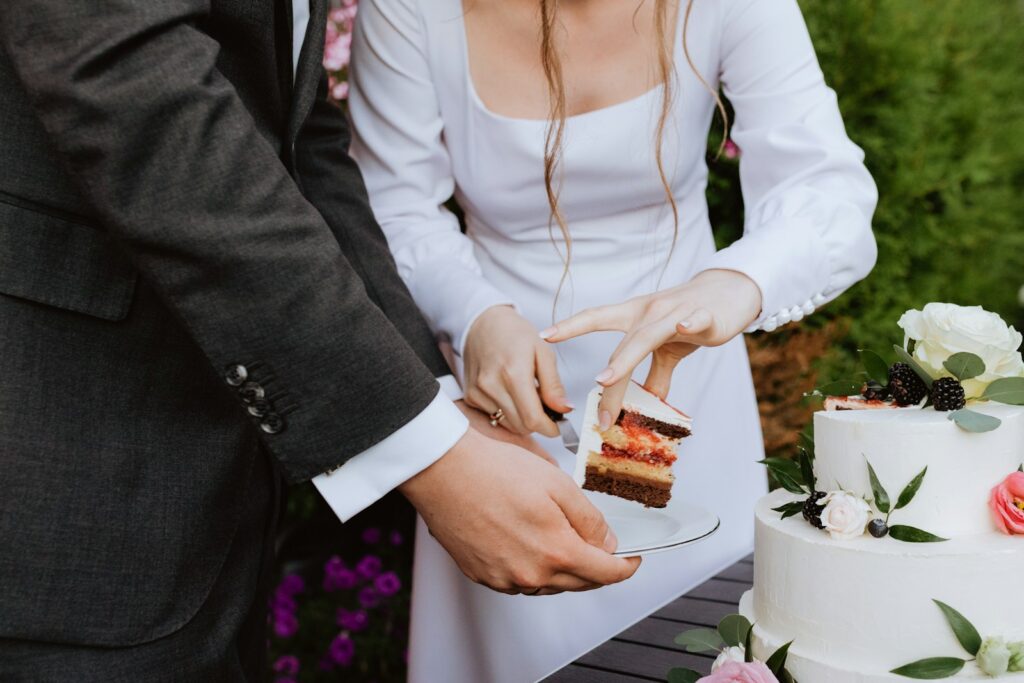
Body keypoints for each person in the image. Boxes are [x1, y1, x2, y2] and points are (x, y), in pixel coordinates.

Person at [0, 0, 639, 678]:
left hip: (205, 496)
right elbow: (129, 76)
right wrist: (426, 454)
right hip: (65, 468)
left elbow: (296, 138)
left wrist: (437, 406)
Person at [346, 0, 879, 680]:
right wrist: (476, 316)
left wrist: (734, 282)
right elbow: (388, 203)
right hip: (507, 405)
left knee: (700, 641)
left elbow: (826, 186)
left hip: (685, 379)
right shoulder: (412, 10)